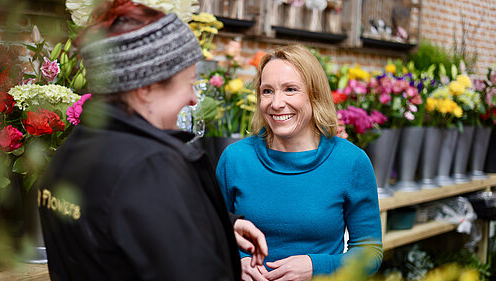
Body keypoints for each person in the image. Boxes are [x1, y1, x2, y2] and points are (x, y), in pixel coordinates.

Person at [38, 1, 267, 280]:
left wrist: (215, 225)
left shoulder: (70, 152)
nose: (194, 98)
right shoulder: (150, 167)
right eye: (190, 82)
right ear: (147, 88)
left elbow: (121, 227)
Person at [216, 45, 383, 281]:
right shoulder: (235, 159)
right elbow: (210, 232)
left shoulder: (351, 162)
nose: (276, 103)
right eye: (267, 91)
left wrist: (316, 266)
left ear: (314, 95)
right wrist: (237, 261)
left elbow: (370, 252)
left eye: (290, 89)